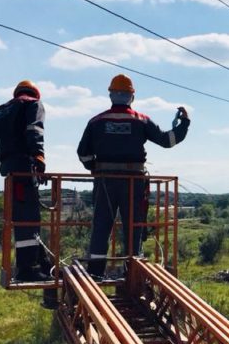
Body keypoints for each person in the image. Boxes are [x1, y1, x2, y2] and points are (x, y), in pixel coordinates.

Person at [77, 74, 190, 277]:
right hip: (133, 182)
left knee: (101, 226)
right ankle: (133, 274)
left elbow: (83, 153)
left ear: (111, 95)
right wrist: (184, 124)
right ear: (131, 96)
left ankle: (95, 273)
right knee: (134, 227)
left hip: (105, 182)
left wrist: (94, 167)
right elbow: (167, 140)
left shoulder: (96, 121)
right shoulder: (141, 120)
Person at [0, 79, 50, 282]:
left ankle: (41, 262)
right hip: (24, 168)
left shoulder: (0, 110)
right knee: (29, 219)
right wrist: (39, 156)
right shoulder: (33, 104)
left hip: (9, 170)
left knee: (24, 218)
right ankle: (27, 269)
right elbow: (34, 129)